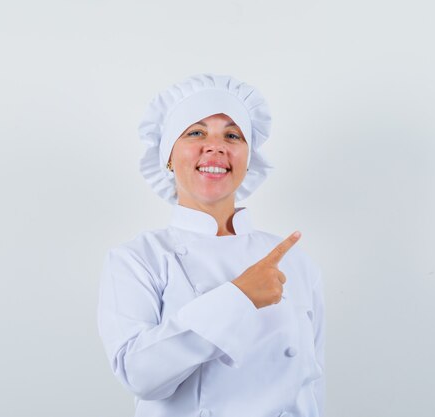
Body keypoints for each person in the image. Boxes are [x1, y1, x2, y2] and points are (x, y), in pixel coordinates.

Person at [97, 74, 325, 417]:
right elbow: (139, 375)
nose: (216, 146)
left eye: (232, 135)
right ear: (168, 157)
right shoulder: (137, 259)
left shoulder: (293, 260)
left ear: (248, 159)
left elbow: (311, 386)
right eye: (196, 133)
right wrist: (239, 297)